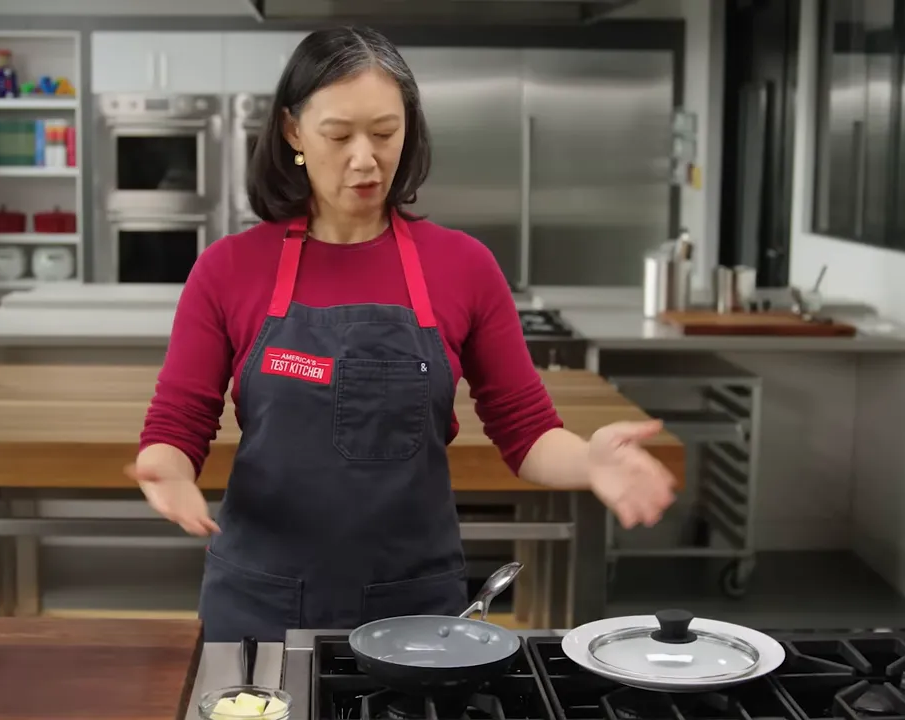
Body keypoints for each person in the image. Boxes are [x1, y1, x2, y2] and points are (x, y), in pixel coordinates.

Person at [129, 27, 677, 642]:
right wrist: (167, 470)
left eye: (385, 133)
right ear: (292, 132)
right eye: (339, 136)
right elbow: (177, 423)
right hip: (260, 599)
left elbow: (526, 434)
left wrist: (590, 461)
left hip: (414, 604)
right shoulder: (230, 267)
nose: (365, 158)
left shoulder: (463, 266)